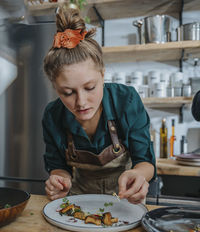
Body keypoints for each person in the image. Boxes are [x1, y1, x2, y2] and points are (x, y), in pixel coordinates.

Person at [42, 8, 156, 204]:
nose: (81, 102)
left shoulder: (126, 100)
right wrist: (59, 180)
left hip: (126, 200)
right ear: (55, 87)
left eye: (90, 87)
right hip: (79, 202)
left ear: (103, 75)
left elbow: (145, 161)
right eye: (68, 93)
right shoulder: (53, 115)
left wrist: (138, 175)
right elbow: (58, 167)